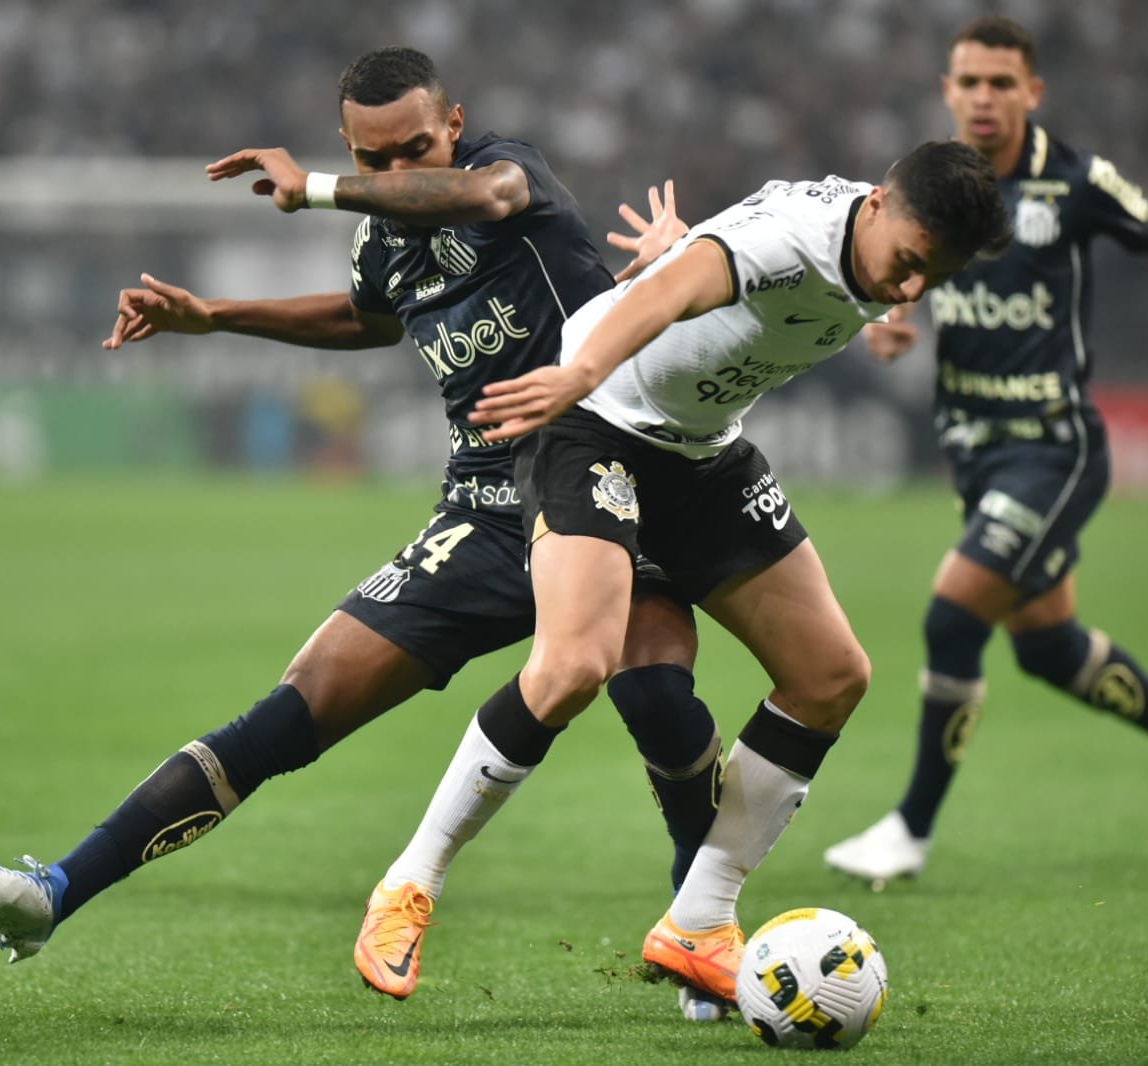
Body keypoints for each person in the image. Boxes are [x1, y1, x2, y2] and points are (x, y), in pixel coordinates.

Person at [0, 47, 722, 997]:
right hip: (482, 504)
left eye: (417, 148)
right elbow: (370, 318)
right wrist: (216, 317)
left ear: (457, 123)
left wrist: (317, 188)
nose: (398, 175)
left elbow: (479, 198)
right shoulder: (381, 238)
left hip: (604, 466)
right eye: (373, 157)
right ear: (349, 144)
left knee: (654, 700)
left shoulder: (513, 177)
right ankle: (53, 893)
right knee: (292, 708)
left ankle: (698, 923)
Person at [351, 141, 1011, 1005]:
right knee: (572, 668)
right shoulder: (792, 239)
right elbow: (672, 289)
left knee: (831, 676)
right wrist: (581, 367)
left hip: (700, 453)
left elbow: (727, 268)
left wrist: (864, 301)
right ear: (880, 206)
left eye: (936, 276)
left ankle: (699, 921)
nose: (913, 288)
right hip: (590, 420)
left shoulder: (881, 239)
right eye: (912, 265)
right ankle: (408, 885)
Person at [824, 15, 1148, 886]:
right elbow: (905, 269)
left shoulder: (1073, 182)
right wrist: (894, 321)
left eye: (1001, 83)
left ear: (1031, 93)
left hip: (1054, 445)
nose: (983, 98)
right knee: (1048, 646)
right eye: (968, 81)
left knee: (950, 614)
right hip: (973, 449)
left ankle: (911, 829)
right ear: (946, 91)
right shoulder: (935, 189)